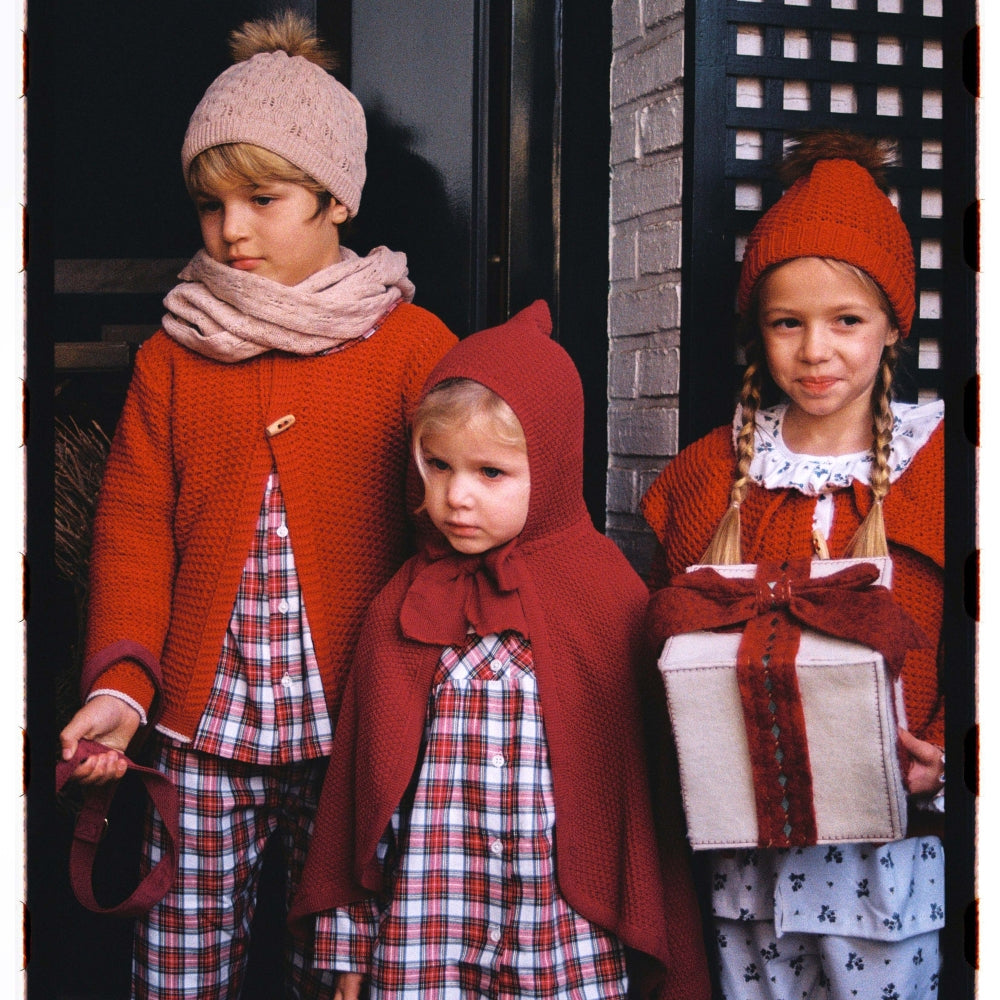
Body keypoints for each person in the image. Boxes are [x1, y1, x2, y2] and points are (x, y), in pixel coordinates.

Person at [57, 11, 456, 999]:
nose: (230, 229)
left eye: (262, 199)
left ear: (335, 197)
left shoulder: (414, 348)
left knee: (345, 968)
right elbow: (133, 532)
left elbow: (458, 530)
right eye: (210, 205)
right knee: (180, 966)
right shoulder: (174, 356)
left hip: (353, 730)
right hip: (203, 730)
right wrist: (120, 688)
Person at [288, 301, 712, 1000]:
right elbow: (362, 797)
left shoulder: (603, 594)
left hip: (562, 927)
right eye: (438, 465)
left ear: (552, 465)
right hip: (431, 917)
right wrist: (349, 945)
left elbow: (640, 799)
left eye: (491, 472)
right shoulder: (401, 602)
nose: (456, 496)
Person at [641, 131, 945, 999]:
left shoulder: (942, 470)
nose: (816, 350)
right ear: (760, 331)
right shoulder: (709, 477)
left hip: (887, 864)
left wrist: (948, 759)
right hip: (747, 860)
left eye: (847, 320)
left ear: (893, 325)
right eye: (788, 323)